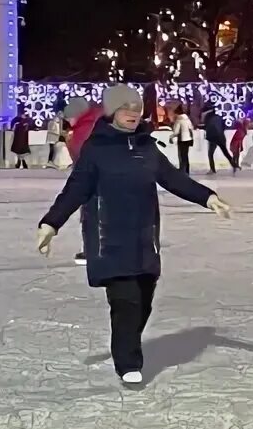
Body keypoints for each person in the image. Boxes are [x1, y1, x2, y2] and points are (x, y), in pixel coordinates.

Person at [36, 85, 231, 385]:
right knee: (125, 301)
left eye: (137, 108)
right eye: (126, 108)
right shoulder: (96, 148)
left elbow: (173, 178)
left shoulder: (146, 147)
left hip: (144, 239)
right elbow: (76, 188)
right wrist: (51, 223)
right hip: (109, 239)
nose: (133, 113)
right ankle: (127, 361)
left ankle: (126, 344)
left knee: (143, 301)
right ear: (112, 111)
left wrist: (207, 197)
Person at [64, 97, 104, 265]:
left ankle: (92, 251)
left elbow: (80, 160)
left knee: (90, 216)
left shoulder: (83, 130)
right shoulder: (98, 121)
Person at [202, 105, 237, 174]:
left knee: (210, 154)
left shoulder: (208, 118)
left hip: (213, 138)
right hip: (221, 137)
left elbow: (207, 127)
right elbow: (224, 126)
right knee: (225, 152)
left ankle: (212, 169)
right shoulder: (219, 117)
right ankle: (234, 165)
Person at [170, 104, 195, 174]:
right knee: (186, 155)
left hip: (182, 140)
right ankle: (187, 170)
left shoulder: (179, 120)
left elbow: (176, 131)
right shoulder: (187, 119)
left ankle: (182, 170)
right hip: (188, 139)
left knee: (181, 156)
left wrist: (171, 137)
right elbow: (191, 128)